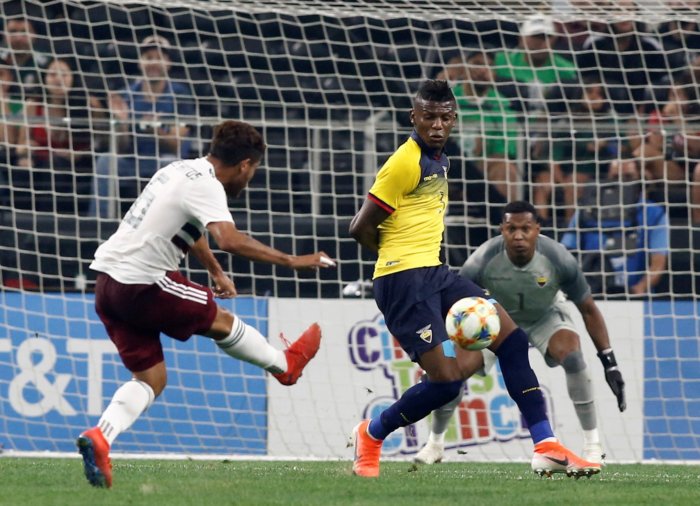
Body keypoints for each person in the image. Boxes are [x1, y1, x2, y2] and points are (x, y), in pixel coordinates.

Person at [348, 79, 600, 479]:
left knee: (513, 340)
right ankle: (372, 433)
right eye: (428, 117)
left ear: (454, 120)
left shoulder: (442, 158)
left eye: (444, 118)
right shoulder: (404, 162)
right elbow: (359, 227)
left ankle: (545, 445)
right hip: (402, 282)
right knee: (447, 383)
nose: (436, 125)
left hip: (436, 273)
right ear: (413, 117)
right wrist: (396, 258)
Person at [76, 120, 336, 488]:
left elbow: (190, 229)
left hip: (106, 285)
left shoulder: (178, 170)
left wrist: (215, 270)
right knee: (223, 321)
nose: (251, 177)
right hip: (143, 282)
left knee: (151, 379)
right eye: (254, 170)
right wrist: (292, 261)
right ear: (245, 165)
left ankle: (101, 436)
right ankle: (284, 366)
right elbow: (228, 238)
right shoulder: (208, 185)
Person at [414, 201, 626, 466]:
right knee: (454, 372)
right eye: (511, 228)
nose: (518, 236)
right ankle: (435, 443)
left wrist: (610, 363)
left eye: (525, 228)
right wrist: (442, 355)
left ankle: (593, 446)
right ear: (501, 230)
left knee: (574, 359)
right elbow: (453, 309)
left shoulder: (558, 258)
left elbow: (589, 310)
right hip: (495, 322)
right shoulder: (481, 260)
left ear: (537, 229)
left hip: (545, 316)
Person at [90, 34, 194, 218]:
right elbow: (120, 146)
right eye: (148, 58)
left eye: (159, 57)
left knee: (170, 164)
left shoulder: (180, 94)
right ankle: (98, 222)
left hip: (165, 162)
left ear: (168, 63)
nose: (153, 62)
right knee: (106, 161)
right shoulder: (126, 95)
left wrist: (155, 129)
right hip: (133, 160)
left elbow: (176, 144)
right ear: (140, 62)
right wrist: (121, 122)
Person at [561, 159, 669, 296]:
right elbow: (565, 254)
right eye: (615, 177)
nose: (621, 182)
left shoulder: (654, 213)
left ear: (640, 179)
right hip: (591, 294)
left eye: (628, 177)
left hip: (635, 296)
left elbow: (658, 263)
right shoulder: (585, 212)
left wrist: (638, 289)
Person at [14, 57, 105, 214]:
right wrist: (27, 151)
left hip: (78, 164)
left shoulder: (90, 105)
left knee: (56, 165)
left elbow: (103, 141)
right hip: (41, 164)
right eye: (53, 75)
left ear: (73, 78)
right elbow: (20, 148)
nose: (58, 80)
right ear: (44, 78)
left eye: (64, 75)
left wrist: (78, 154)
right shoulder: (33, 105)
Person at [452, 47, 520, 205]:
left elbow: (504, 151)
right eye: (477, 64)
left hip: (485, 165)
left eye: (488, 66)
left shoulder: (503, 105)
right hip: (448, 165)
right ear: (463, 69)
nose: (483, 70)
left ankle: (504, 223)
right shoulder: (444, 100)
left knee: (505, 168)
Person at [0, 15, 48, 102]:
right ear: (4, 35)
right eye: (13, 32)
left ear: (34, 35)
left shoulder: (46, 63)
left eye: (24, 32)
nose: (18, 38)